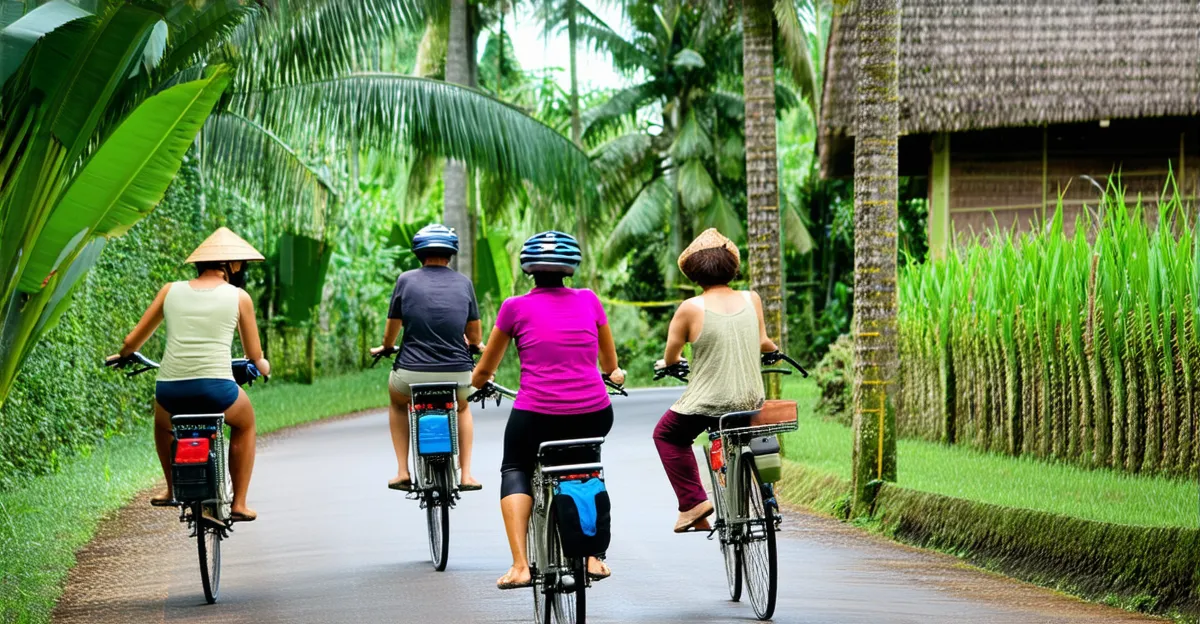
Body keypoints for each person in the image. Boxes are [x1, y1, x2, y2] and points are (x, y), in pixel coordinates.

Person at [471, 230, 625, 590]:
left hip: (536, 416)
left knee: (515, 467)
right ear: (570, 268)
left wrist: (477, 385)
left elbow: (485, 371)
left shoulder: (514, 307)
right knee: (586, 464)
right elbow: (610, 365)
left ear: (529, 269)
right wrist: (613, 374)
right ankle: (592, 558)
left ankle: (521, 565)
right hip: (594, 412)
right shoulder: (590, 301)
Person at [109, 227, 270, 522]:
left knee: (162, 422)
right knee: (245, 423)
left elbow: (132, 343)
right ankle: (240, 504)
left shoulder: (170, 290)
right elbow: (254, 355)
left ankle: (171, 488)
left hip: (172, 392)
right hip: (217, 391)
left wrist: (123, 355)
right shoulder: (238, 297)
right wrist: (264, 366)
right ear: (232, 265)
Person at [652, 228, 778, 533]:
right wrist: (776, 352)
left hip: (709, 402)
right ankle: (768, 496)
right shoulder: (752, 298)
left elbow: (672, 356)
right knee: (750, 432)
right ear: (732, 268)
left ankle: (694, 503)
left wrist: (668, 364)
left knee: (666, 435)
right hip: (750, 399)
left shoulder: (690, 309)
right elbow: (763, 342)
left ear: (695, 275)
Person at [371, 224, 483, 491]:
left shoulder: (405, 280)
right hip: (457, 374)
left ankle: (402, 471)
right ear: (451, 254)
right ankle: (466, 474)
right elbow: (475, 335)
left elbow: (392, 331)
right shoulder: (464, 283)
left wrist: (386, 347)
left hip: (411, 374)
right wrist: (475, 344)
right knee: (463, 407)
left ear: (418, 253)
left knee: (398, 404)